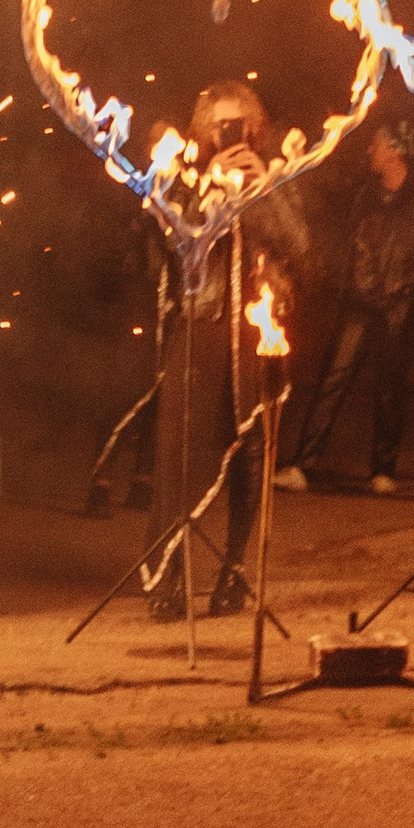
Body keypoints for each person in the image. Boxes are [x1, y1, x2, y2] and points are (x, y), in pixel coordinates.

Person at [142, 80, 308, 618]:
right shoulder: (184, 176)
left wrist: (259, 190)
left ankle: (234, 569)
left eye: (238, 125)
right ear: (202, 129)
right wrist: (210, 189)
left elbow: (299, 245)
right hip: (201, 327)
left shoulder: (273, 173)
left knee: (251, 453)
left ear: (254, 127)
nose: (229, 134)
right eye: (219, 125)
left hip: (257, 332)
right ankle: (167, 573)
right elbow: (174, 243)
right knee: (180, 452)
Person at [275, 114, 414, 493]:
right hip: (359, 302)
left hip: (398, 308)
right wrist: (353, 282)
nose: (371, 149)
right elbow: (353, 243)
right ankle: (303, 464)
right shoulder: (365, 195)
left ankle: (382, 469)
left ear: (397, 151)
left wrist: (402, 284)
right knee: (333, 378)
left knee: (389, 387)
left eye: (378, 143)